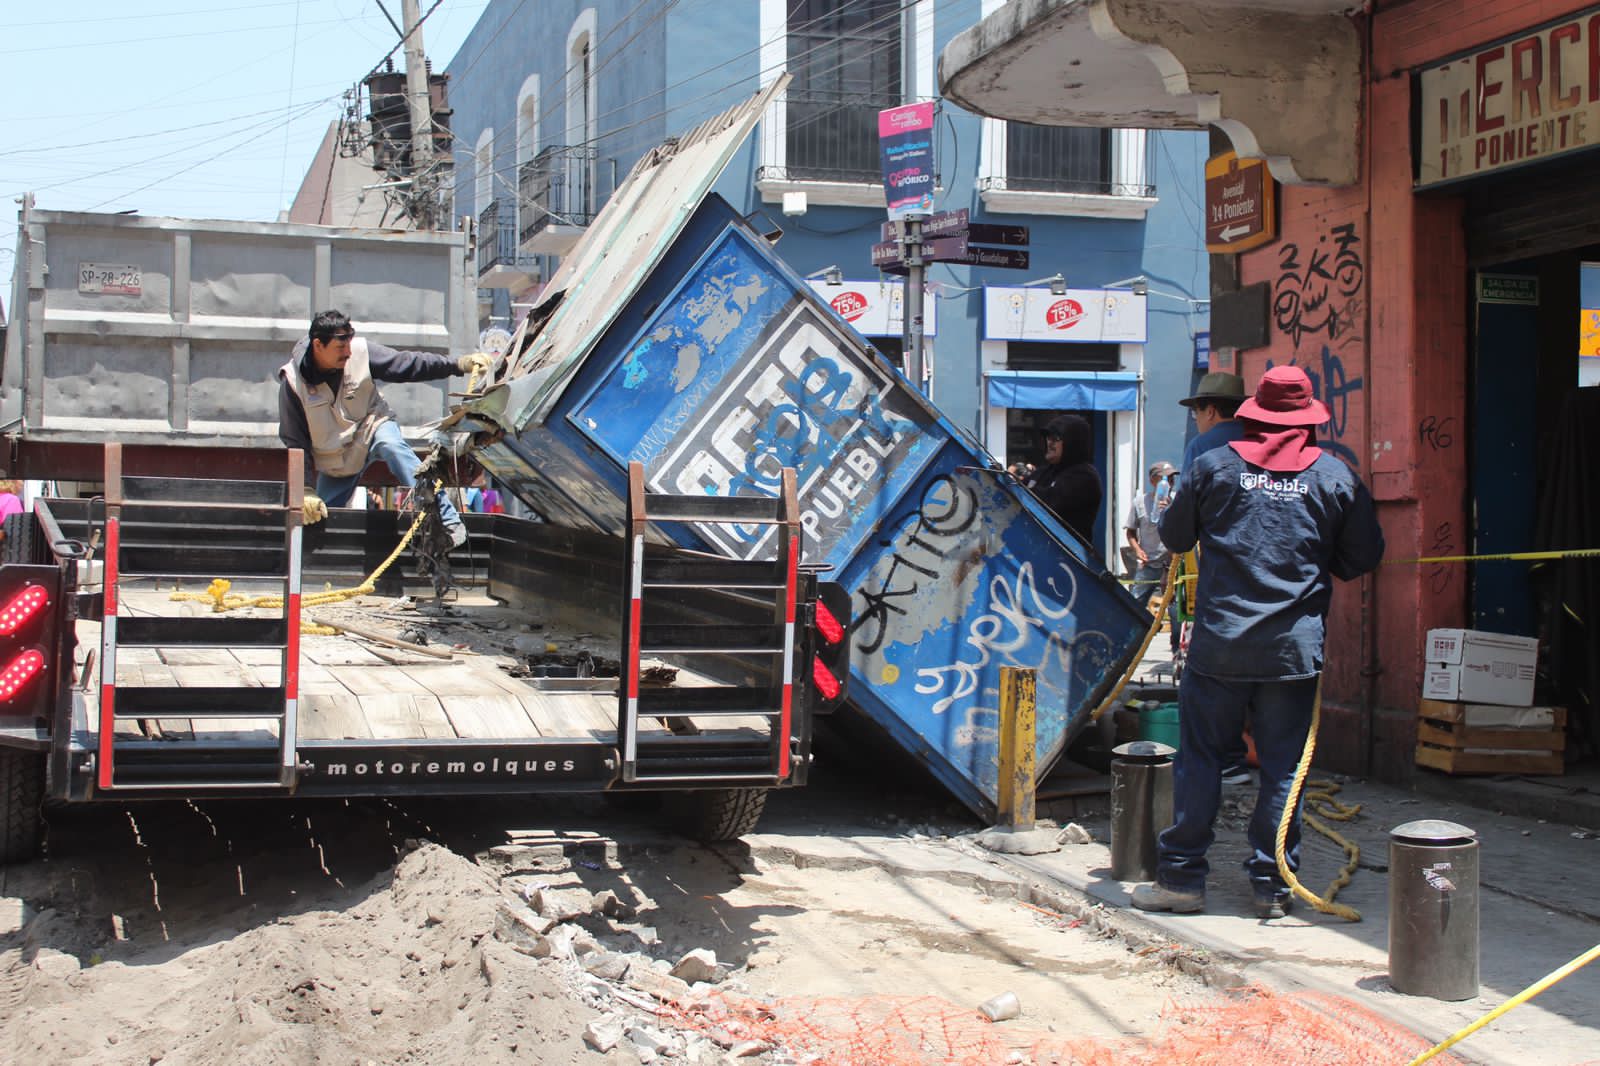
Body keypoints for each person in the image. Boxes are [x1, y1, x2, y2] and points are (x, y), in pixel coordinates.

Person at [1132, 366, 1384, 920]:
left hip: (1219, 644)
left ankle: (1181, 881)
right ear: (1309, 420)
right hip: (1291, 651)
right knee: (1283, 770)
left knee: (1199, 759)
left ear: (1254, 415)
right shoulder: (1334, 477)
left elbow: (1173, 537)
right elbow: (1363, 556)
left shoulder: (1213, 466)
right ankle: (1272, 887)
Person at [278, 310, 493, 548]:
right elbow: (296, 443)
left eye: (349, 345)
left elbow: (407, 363)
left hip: (372, 425)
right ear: (318, 345)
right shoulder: (292, 384)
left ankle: (445, 520)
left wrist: (456, 365)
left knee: (392, 446)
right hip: (337, 458)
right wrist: (306, 489)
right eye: (340, 348)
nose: (348, 353)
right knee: (317, 516)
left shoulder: (360, 351)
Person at [1179, 371, 1253, 784]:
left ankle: (1225, 760)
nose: (1195, 420)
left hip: (1223, 580)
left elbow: (1182, 521)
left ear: (1210, 409)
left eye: (1197, 412)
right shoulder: (1270, 443)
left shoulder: (1204, 448)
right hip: (1283, 583)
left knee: (1213, 676)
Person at [1025, 414, 1102, 547]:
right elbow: (1019, 490)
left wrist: (1024, 489)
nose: (1049, 442)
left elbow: (1049, 502)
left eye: (1055, 438)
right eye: (1048, 437)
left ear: (1073, 441)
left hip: (1066, 560)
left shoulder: (1085, 476)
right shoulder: (1043, 472)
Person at [1124, 461, 1176, 609]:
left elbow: (1182, 532)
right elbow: (1130, 532)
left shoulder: (1178, 501)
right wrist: (1137, 550)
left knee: (1174, 610)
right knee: (1134, 607)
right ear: (1152, 481)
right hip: (1148, 564)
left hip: (1172, 564)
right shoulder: (1140, 502)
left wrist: (1170, 512)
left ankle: (1176, 632)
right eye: (1164, 478)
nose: (1170, 482)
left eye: (1172, 478)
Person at [1180, 371, 1247, 474]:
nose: (1195, 420)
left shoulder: (1199, 445)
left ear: (1210, 412)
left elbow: (1187, 488)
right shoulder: (1259, 437)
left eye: (1195, 413)